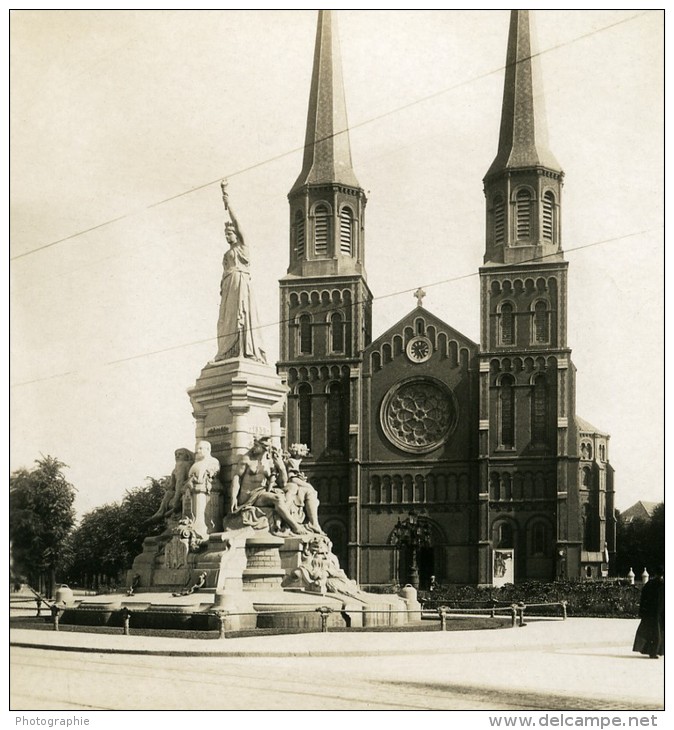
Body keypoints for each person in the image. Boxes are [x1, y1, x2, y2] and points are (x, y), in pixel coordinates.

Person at [214, 180, 267, 363]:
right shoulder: (226, 254)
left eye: (230, 233)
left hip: (240, 284)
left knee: (240, 317)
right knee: (226, 321)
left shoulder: (243, 247)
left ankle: (243, 350)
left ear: (236, 234)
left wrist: (228, 203)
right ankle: (226, 352)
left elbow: (237, 222)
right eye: (225, 234)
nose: (227, 235)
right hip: (228, 288)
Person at [228, 437, 305, 534]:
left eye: (257, 445)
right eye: (255, 444)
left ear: (265, 448)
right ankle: (295, 526)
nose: (254, 447)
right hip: (248, 496)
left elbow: (283, 483)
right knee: (278, 498)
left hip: (261, 493)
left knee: (291, 490)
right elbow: (237, 477)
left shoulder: (270, 462)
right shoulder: (246, 459)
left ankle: (280, 520)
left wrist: (281, 467)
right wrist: (233, 497)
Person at [633, 566, 665, 658]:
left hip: (650, 613)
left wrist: (642, 611)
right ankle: (654, 652)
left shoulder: (649, 584)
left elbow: (643, 599)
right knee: (658, 633)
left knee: (650, 632)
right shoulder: (663, 585)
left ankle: (652, 651)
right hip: (659, 613)